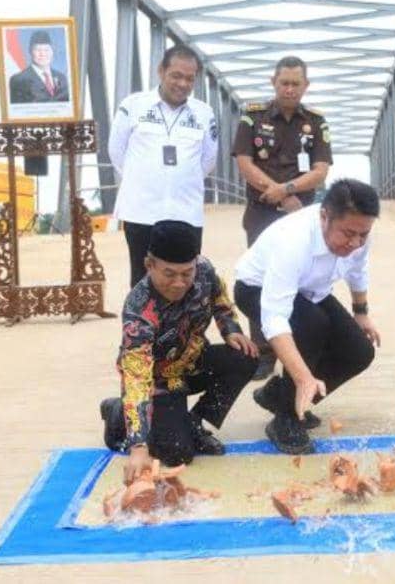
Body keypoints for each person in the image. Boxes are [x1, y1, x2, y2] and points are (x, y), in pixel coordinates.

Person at [233, 179, 381, 455]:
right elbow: (275, 318)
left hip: (312, 290)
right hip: (256, 288)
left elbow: (358, 270)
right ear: (324, 216)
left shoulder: (360, 233)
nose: (355, 243)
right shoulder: (294, 240)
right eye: (348, 234)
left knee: (359, 350)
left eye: (362, 235)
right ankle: (286, 418)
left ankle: (277, 394)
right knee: (312, 325)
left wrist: (361, 313)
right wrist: (303, 378)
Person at [99, 220, 258, 474]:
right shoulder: (139, 308)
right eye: (169, 274)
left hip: (191, 360)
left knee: (245, 356)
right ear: (149, 265)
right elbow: (137, 376)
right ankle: (117, 412)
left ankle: (194, 422)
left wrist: (230, 329)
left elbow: (219, 298)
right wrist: (138, 446)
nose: (179, 283)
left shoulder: (204, 270)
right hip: (156, 381)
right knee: (176, 454)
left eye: (187, 273)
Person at [232, 56, 332, 381]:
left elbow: (320, 171)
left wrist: (288, 190)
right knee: (260, 281)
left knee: (301, 281)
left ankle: (296, 350)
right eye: (284, 83)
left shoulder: (316, 122)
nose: (290, 89)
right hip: (261, 212)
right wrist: (276, 192)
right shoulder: (253, 116)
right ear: (273, 82)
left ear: (306, 86)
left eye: (296, 83)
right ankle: (263, 352)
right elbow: (245, 163)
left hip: (302, 217)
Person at [109, 45, 218, 288]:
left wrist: (181, 179)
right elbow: (116, 152)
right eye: (176, 75)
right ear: (161, 71)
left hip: (186, 212)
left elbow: (208, 160)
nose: (182, 84)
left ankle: (180, 328)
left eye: (189, 78)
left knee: (184, 281)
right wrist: (144, 178)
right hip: (141, 211)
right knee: (142, 280)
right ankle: (143, 327)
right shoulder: (133, 105)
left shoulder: (204, 113)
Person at [9, 30, 70, 103]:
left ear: (52, 52)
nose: (42, 54)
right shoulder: (18, 80)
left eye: (46, 50)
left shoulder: (61, 78)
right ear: (30, 51)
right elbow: (17, 112)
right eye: (38, 50)